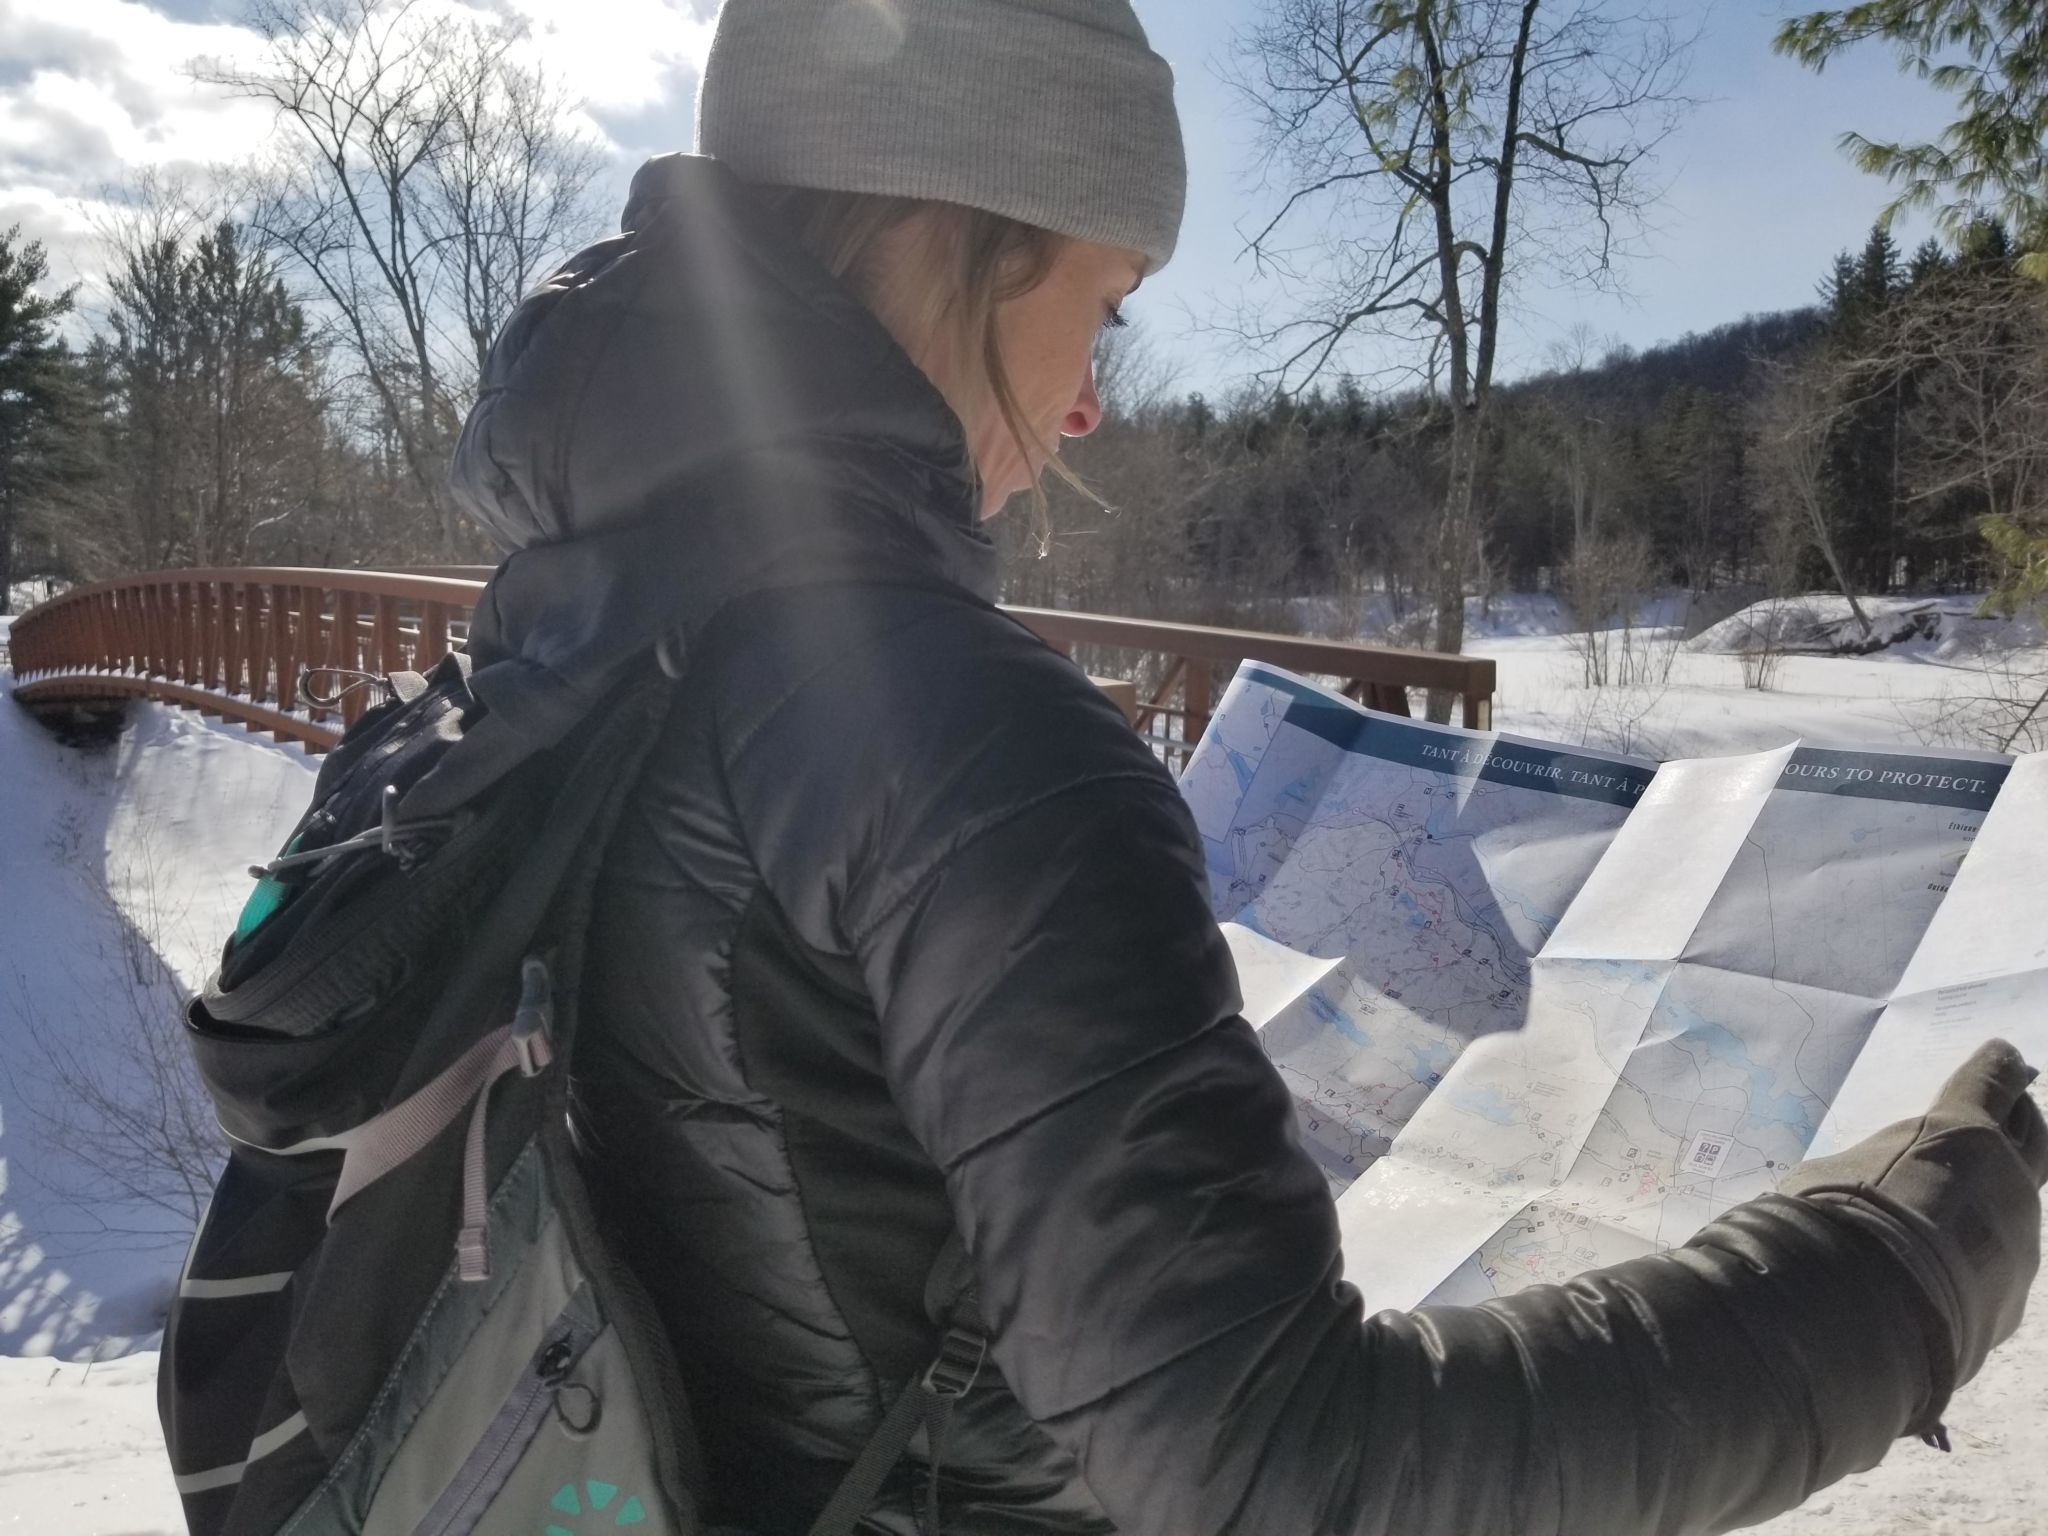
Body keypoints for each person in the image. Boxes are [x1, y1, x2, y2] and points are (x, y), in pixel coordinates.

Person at [445, 2, 2048, 1531]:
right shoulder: (953, 737)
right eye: (1106, 302)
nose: (1084, 405)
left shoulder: (548, 649)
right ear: (965, 229)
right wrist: (1884, 1275)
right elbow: (1285, 1475)